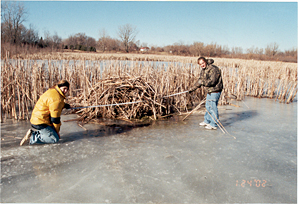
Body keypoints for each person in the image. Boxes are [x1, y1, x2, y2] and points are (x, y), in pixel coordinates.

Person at [20, 80, 71, 146]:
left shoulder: (53, 91)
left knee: (53, 132)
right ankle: (33, 137)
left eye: (67, 89)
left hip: (38, 118)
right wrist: (57, 131)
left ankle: (39, 133)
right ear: (59, 87)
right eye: (64, 88)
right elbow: (55, 119)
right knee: (54, 139)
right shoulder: (57, 99)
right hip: (40, 122)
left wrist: (64, 105)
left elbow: (52, 104)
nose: (66, 91)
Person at [189, 57, 223, 130]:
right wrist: (192, 89)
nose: (202, 65)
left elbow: (212, 81)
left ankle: (214, 124)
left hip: (215, 90)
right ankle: (207, 121)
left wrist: (202, 83)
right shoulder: (204, 70)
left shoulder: (213, 69)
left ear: (206, 62)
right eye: (200, 64)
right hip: (210, 90)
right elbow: (200, 80)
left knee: (212, 107)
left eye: (203, 63)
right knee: (208, 106)